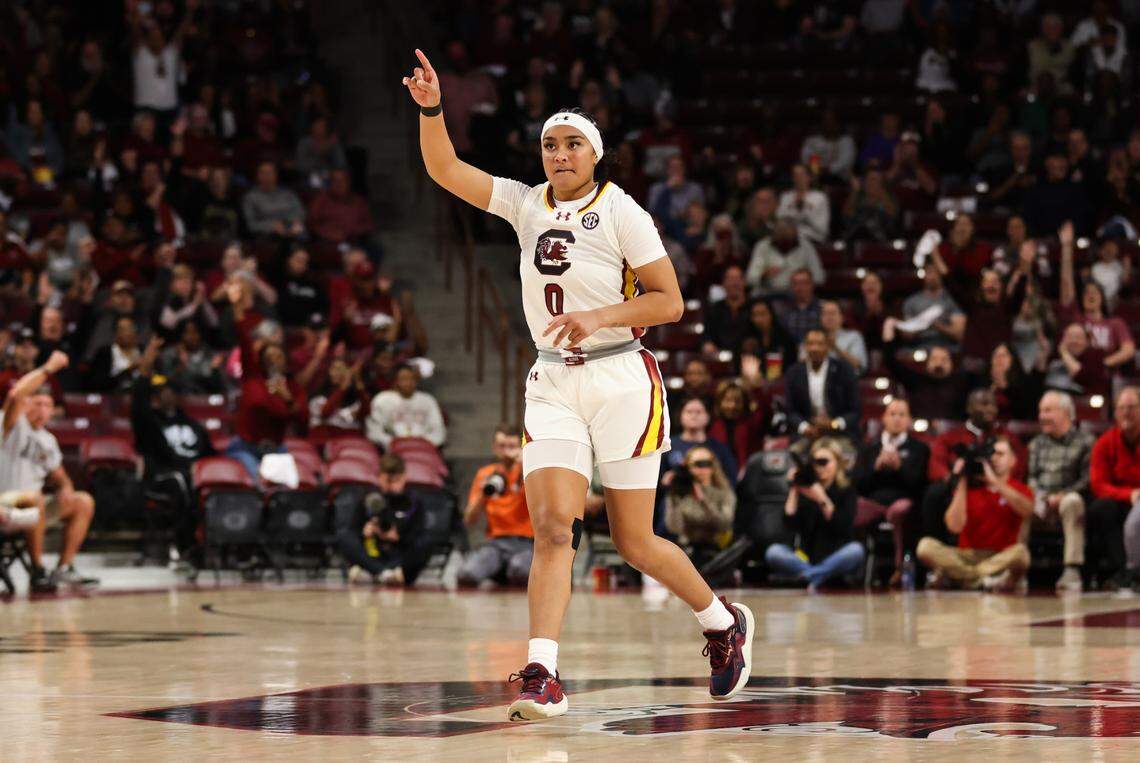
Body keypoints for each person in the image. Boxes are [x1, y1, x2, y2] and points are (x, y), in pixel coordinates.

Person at [405, 49, 753, 722]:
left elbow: (670, 301)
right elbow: (445, 168)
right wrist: (430, 108)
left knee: (634, 541)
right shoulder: (522, 201)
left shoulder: (622, 211)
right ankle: (543, 673)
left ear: (594, 155)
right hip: (552, 380)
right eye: (548, 144)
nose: (558, 154)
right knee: (553, 529)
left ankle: (722, 622)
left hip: (624, 374)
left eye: (571, 144)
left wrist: (600, 314)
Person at [0, 351, 98, 592]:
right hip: (4, 503)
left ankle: (63, 568)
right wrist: (49, 368)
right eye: (37, 403)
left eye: (48, 405)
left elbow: (59, 475)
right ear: (26, 405)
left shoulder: (48, 440)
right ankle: (37, 569)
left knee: (82, 501)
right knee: (35, 498)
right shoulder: (10, 425)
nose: (43, 410)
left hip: (34, 510)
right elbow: (15, 393)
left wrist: (65, 487)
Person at [131, 337, 215, 559]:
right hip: (164, 476)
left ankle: (223, 541)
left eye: (170, 390)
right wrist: (145, 366)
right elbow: (138, 401)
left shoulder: (192, 424)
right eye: (160, 392)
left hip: (194, 476)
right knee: (179, 481)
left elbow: (211, 454)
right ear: (154, 398)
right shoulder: (150, 424)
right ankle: (186, 545)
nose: (166, 394)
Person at [916, 437, 1033, 591]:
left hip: (999, 556)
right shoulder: (970, 488)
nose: (994, 458)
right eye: (991, 454)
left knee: (1021, 554)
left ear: (1013, 461)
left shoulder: (1019, 488)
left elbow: (1027, 510)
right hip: (965, 556)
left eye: (1000, 454)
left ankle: (961, 578)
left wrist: (996, 482)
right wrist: (963, 478)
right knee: (925, 547)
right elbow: (954, 527)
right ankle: (980, 580)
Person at [922, 389, 1026, 544]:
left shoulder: (1008, 437)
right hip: (959, 486)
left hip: (995, 486)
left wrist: (999, 478)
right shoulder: (951, 437)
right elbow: (936, 464)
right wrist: (952, 476)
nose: (990, 409)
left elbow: (1019, 467)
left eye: (992, 405)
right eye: (984, 404)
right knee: (934, 493)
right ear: (969, 408)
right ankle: (936, 545)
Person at [765, 438, 864, 591]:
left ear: (837, 463)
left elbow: (843, 527)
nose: (819, 467)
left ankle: (808, 576)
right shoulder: (806, 491)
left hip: (836, 555)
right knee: (774, 552)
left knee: (856, 550)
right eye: (816, 462)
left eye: (824, 462)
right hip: (806, 558)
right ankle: (818, 575)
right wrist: (794, 488)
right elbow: (789, 523)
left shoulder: (846, 490)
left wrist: (821, 498)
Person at [853, 399, 930, 585]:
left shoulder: (919, 449)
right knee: (851, 507)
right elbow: (859, 484)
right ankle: (855, 568)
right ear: (883, 418)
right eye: (892, 414)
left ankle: (900, 568)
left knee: (900, 510)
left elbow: (918, 485)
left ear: (909, 420)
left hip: (902, 503)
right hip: (873, 503)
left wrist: (899, 467)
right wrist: (876, 468)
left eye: (902, 414)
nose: (897, 419)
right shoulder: (868, 449)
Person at [1026, 391, 1093, 592]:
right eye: (1040, 411)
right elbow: (1031, 477)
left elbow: (1088, 480)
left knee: (1072, 502)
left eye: (1047, 410)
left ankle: (1072, 569)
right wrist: (1039, 495)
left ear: (1065, 413)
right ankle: (1015, 569)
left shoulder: (1086, 441)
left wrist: (1062, 495)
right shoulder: (1036, 443)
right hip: (1040, 500)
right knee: (1019, 502)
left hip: (1069, 499)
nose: (1041, 416)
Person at [458, 424, 533, 587]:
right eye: (501, 446)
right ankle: (502, 571)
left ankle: (507, 572)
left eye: (511, 446)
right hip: (496, 543)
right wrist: (483, 494)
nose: (506, 451)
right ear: (494, 448)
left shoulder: (530, 470)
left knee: (520, 570)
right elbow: (469, 520)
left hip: (527, 542)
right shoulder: (486, 474)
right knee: (467, 574)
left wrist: (525, 462)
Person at [340, 454, 433, 586]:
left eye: (396, 480)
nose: (392, 486)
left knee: (426, 542)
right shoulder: (368, 498)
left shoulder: (414, 501)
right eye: (387, 481)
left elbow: (418, 533)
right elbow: (352, 529)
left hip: (400, 557)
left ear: (404, 477)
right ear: (379, 477)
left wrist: (398, 537)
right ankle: (381, 573)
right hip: (372, 554)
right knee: (344, 537)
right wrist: (365, 532)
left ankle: (378, 574)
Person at [1088, 386, 1140, 590]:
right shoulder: (1104, 443)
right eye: (1122, 408)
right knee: (1101, 509)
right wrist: (1129, 495)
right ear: (1115, 413)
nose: (1126, 412)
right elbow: (1098, 484)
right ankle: (1123, 571)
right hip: (1122, 501)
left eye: (1132, 407)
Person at [784, 327, 860, 443]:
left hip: (840, 433)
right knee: (795, 454)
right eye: (810, 344)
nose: (815, 348)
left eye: (820, 344)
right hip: (806, 433)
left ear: (828, 346)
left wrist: (833, 424)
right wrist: (805, 427)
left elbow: (855, 411)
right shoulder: (793, 373)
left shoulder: (844, 370)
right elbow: (790, 411)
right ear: (804, 346)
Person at [664, 445, 736, 562]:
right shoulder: (680, 492)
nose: (701, 469)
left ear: (713, 466)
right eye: (696, 464)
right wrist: (672, 494)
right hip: (686, 550)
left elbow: (724, 524)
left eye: (706, 463)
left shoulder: (723, 492)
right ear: (687, 467)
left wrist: (703, 501)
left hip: (715, 551)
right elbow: (674, 528)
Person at [365, 364, 447, 450]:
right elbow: (374, 431)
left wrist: (423, 443)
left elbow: (438, 430)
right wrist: (392, 442)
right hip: (391, 449)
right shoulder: (382, 400)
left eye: (412, 378)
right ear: (395, 381)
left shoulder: (428, 400)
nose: (409, 382)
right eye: (404, 379)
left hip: (424, 448)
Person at [744, 220, 824, 295]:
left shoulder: (806, 247)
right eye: (781, 236)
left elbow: (819, 277)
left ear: (795, 234)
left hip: (796, 296)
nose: (785, 240)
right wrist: (764, 275)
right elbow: (750, 279)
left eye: (788, 238)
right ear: (774, 235)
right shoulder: (762, 246)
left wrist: (801, 279)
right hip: (767, 295)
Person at [776, 164, 830, 242]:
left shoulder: (820, 198)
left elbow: (822, 228)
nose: (798, 178)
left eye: (801, 174)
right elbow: (780, 218)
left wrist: (805, 209)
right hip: (788, 237)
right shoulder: (786, 196)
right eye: (795, 175)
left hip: (811, 237)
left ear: (809, 177)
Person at [819, 299, 867, 375]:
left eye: (833, 313)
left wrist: (835, 348)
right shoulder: (813, 337)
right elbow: (801, 365)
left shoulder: (854, 337)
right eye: (825, 313)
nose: (829, 317)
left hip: (846, 382)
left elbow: (859, 366)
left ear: (842, 317)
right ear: (820, 318)